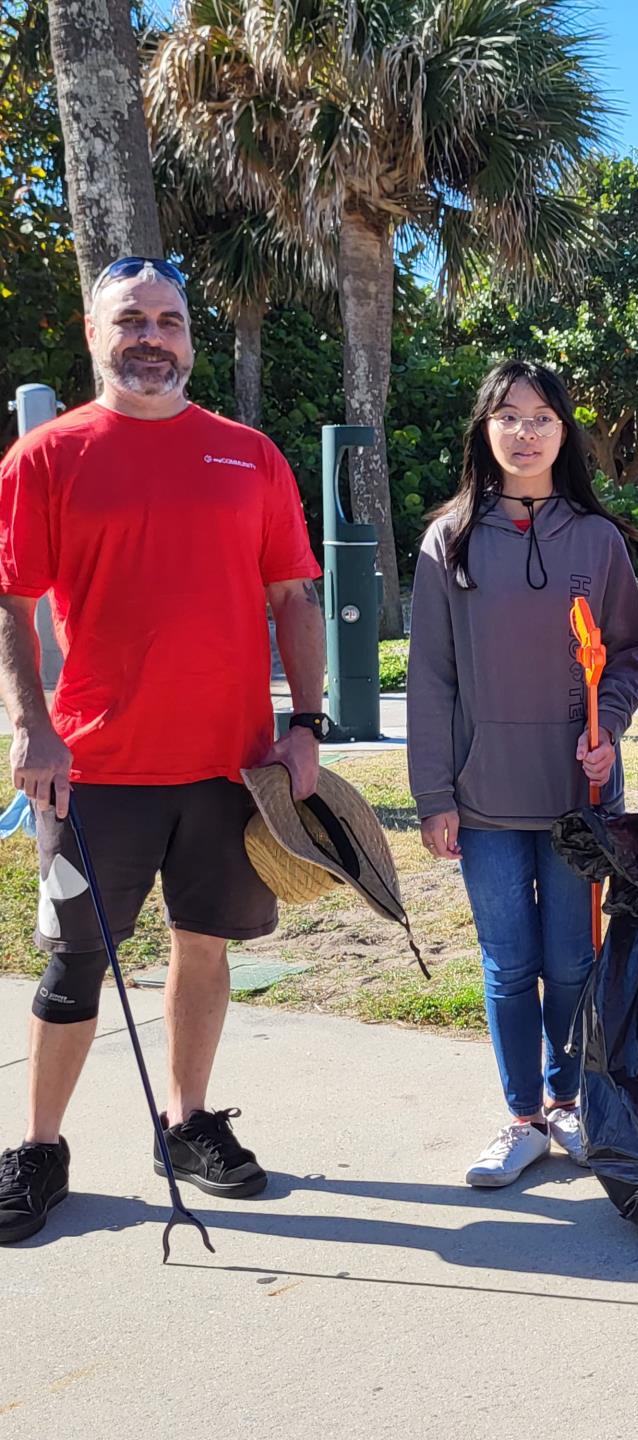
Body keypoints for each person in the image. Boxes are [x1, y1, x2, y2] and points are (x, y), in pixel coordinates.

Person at [0, 258, 326, 1242]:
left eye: (170, 321)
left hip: (226, 769)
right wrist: (32, 726)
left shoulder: (248, 456)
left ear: (192, 339)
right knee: (72, 967)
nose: (152, 336)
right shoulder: (47, 459)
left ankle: (185, 1124)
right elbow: (13, 606)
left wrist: (304, 723)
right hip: (92, 772)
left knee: (204, 945)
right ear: (95, 337)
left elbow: (294, 598)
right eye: (130, 320)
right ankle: (41, 1147)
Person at [408, 359, 638, 1188]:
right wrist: (434, 794)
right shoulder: (451, 540)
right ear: (485, 429)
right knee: (509, 963)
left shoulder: (597, 538)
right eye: (507, 416)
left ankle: (571, 1102)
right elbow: (432, 676)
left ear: (564, 432)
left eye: (542, 417)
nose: (525, 431)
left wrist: (609, 726)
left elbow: (628, 653)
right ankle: (520, 1118)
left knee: (575, 962)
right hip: (485, 799)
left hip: (577, 796)